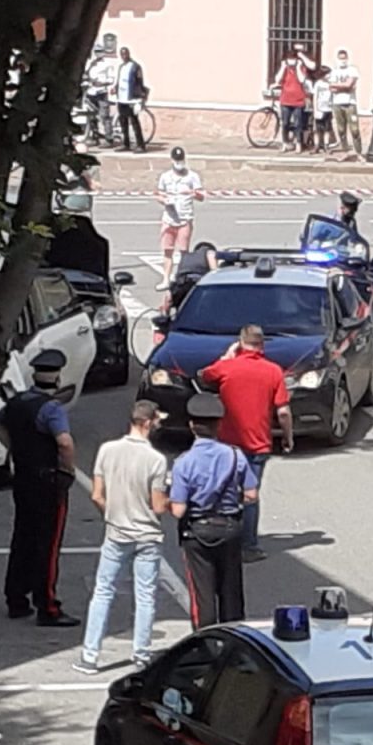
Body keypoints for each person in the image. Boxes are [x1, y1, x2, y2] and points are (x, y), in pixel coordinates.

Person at [73, 401, 169, 674]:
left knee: (103, 592)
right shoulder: (156, 460)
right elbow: (159, 506)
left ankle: (89, 656)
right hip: (147, 535)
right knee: (145, 596)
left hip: (116, 533)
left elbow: (96, 494)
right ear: (148, 423)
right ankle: (141, 654)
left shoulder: (107, 450)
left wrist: (112, 513)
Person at [0, 349, 80, 627]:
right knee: (48, 544)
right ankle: (48, 605)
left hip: (24, 478)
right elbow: (64, 442)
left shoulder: (18, 402)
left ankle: (16, 598)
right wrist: (67, 470)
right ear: (56, 379)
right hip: (48, 482)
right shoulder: (51, 408)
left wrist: (15, 450)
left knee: (23, 537)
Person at [199, 325, 294, 562]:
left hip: (227, 443)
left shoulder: (227, 367)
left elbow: (204, 375)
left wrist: (227, 356)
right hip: (258, 444)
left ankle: (221, 540)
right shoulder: (273, 371)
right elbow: (283, 411)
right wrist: (287, 436)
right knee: (250, 496)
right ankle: (248, 546)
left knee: (224, 491)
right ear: (262, 345)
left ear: (241, 342)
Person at [170, 393, 259, 628]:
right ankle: (236, 639)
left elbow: (178, 510)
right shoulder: (234, 455)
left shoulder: (183, 463)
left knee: (203, 595)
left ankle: (207, 641)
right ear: (219, 425)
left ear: (192, 426)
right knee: (231, 590)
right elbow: (251, 495)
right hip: (230, 529)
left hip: (197, 533)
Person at [154, 147, 205, 291]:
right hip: (169, 218)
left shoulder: (192, 176)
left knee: (184, 251)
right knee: (167, 250)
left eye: (181, 160)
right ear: (172, 160)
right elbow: (158, 194)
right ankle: (166, 279)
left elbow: (201, 196)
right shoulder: (165, 177)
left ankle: (181, 278)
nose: (179, 163)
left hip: (185, 218)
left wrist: (193, 193)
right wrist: (164, 200)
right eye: (176, 160)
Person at [272, 45, 311, 153]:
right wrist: (283, 67)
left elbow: (302, 80)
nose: (291, 60)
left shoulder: (301, 68)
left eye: (293, 58)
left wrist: (298, 67)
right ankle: (285, 143)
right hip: (285, 100)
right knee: (285, 123)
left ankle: (298, 143)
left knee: (298, 123)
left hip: (298, 101)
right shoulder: (284, 69)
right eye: (289, 58)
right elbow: (277, 79)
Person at [328, 48, 363, 158]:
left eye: (344, 58)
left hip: (350, 103)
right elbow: (331, 88)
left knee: (355, 130)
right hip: (337, 103)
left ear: (347, 58)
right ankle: (345, 151)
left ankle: (358, 152)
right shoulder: (334, 72)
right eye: (340, 58)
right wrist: (346, 87)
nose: (342, 61)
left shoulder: (352, 70)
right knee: (341, 129)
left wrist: (338, 86)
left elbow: (349, 84)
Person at [113, 47, 147, 152]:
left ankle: (140, 145)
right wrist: (115, 88)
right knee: (123, 122)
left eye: (125, 54)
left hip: (132, 99)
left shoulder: (135, 67)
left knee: (134, 122)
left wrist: (140, 97)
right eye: (122, 54)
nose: (124, 56)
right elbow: (119, 81)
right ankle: (126, 143)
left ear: (128, 54)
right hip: (121, 99)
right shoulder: (121, 67)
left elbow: (139, 81)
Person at [84, 42, 117, 145]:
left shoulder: (107, 64)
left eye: (99, 51)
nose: (98, 54)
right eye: (96, 51)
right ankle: (95, 136)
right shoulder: (91, 63)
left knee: (105, 116)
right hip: (91, 92)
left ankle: (109, 138)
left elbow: (111, 79)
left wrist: (101, 83)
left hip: (101, 92)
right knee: (91, 116)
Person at [311, 65, 334, 154]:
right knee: (317, 129)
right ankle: (316, 145)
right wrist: (315, 110)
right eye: (328, 74)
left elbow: (332, 96)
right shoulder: (318, 84)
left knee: (327, 129)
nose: (329, 76)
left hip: (328, 109)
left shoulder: (330, 83)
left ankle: (326, 145)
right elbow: (315, 97)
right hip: (319, 109)